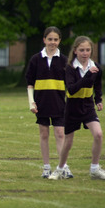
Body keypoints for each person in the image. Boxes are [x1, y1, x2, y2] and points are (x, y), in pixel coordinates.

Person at [49, 36, 105, 180]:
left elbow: (98, 86)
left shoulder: (96, 68)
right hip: (72, 107)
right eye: (81, 50)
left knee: (98, 134)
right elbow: (72, 89)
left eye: (88, 50)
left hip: (87, 106)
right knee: (68, 141)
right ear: (75, 51)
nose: (85, 53)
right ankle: (60, 169)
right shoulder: (70, 68)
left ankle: (95, 169)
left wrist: (98, 99)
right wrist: (87, 75)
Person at [25, 26, 69, 178]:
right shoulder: (35, 59)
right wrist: (32, 102)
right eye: (50, 39)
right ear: (44, 40)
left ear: (59, 41)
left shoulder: (65, 61)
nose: (52, 42)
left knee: (60, 133)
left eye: (56, 39)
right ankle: (46, 167)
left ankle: (63, 167)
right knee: (44, 134)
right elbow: (30, 84)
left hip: (59, 104)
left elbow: (70, 85)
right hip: (41, 103)